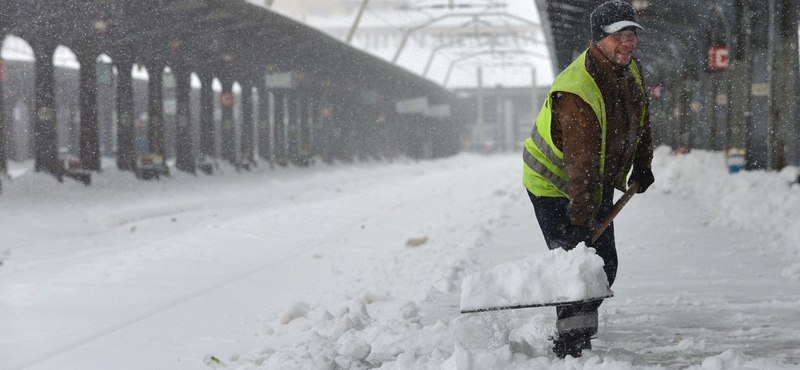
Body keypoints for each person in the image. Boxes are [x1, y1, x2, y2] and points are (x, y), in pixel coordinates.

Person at [521, 0, 655, 358]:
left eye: (631, 34)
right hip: (553, 184)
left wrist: (643, 164)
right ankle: (571, 345)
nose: (626, 43)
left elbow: (641, 119)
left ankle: (579, 332)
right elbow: (579, 168)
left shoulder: (630, 70)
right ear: (598, 39)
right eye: (618, 36)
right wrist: (580, 223)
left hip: (591, 181)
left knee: (603, 263)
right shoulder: (577, 91)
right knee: (576, 265)